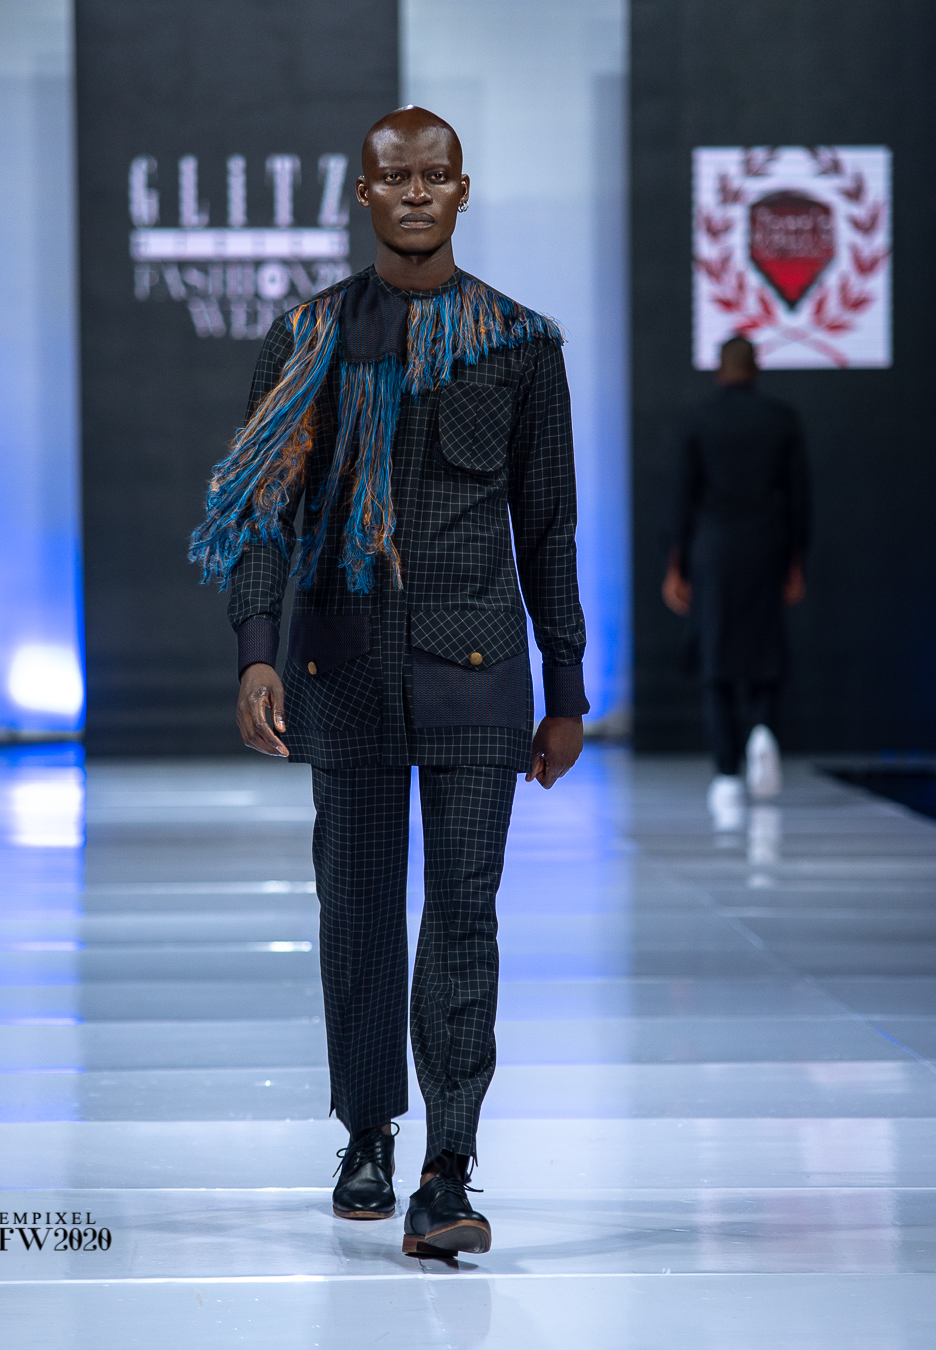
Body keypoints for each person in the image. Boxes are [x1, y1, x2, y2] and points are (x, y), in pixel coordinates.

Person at [190, 106, 588, 1257]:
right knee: (359, 908)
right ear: (363, 195)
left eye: (435, 175)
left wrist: (565, 687)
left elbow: (548, 525)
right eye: (395, 177)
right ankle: (367, 1130)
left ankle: (448, 1169)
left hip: (478, 668)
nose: (416, 193)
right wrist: (256, 649)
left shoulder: (519, 344)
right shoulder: (307, 338)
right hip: (345, 663)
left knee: (463, 916)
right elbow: (264, 510)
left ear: (463, 189)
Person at [662, 335, 810, 828]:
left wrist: (675, 564)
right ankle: (763, 731)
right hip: (768, 546)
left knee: (716, 655)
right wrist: (797, 560)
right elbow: (800, 497)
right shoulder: (781, 419)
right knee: (767, 646)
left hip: (714, 550)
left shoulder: (698, 420)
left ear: (720, 369)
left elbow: (681, 498)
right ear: (756, 368)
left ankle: (727, 773)